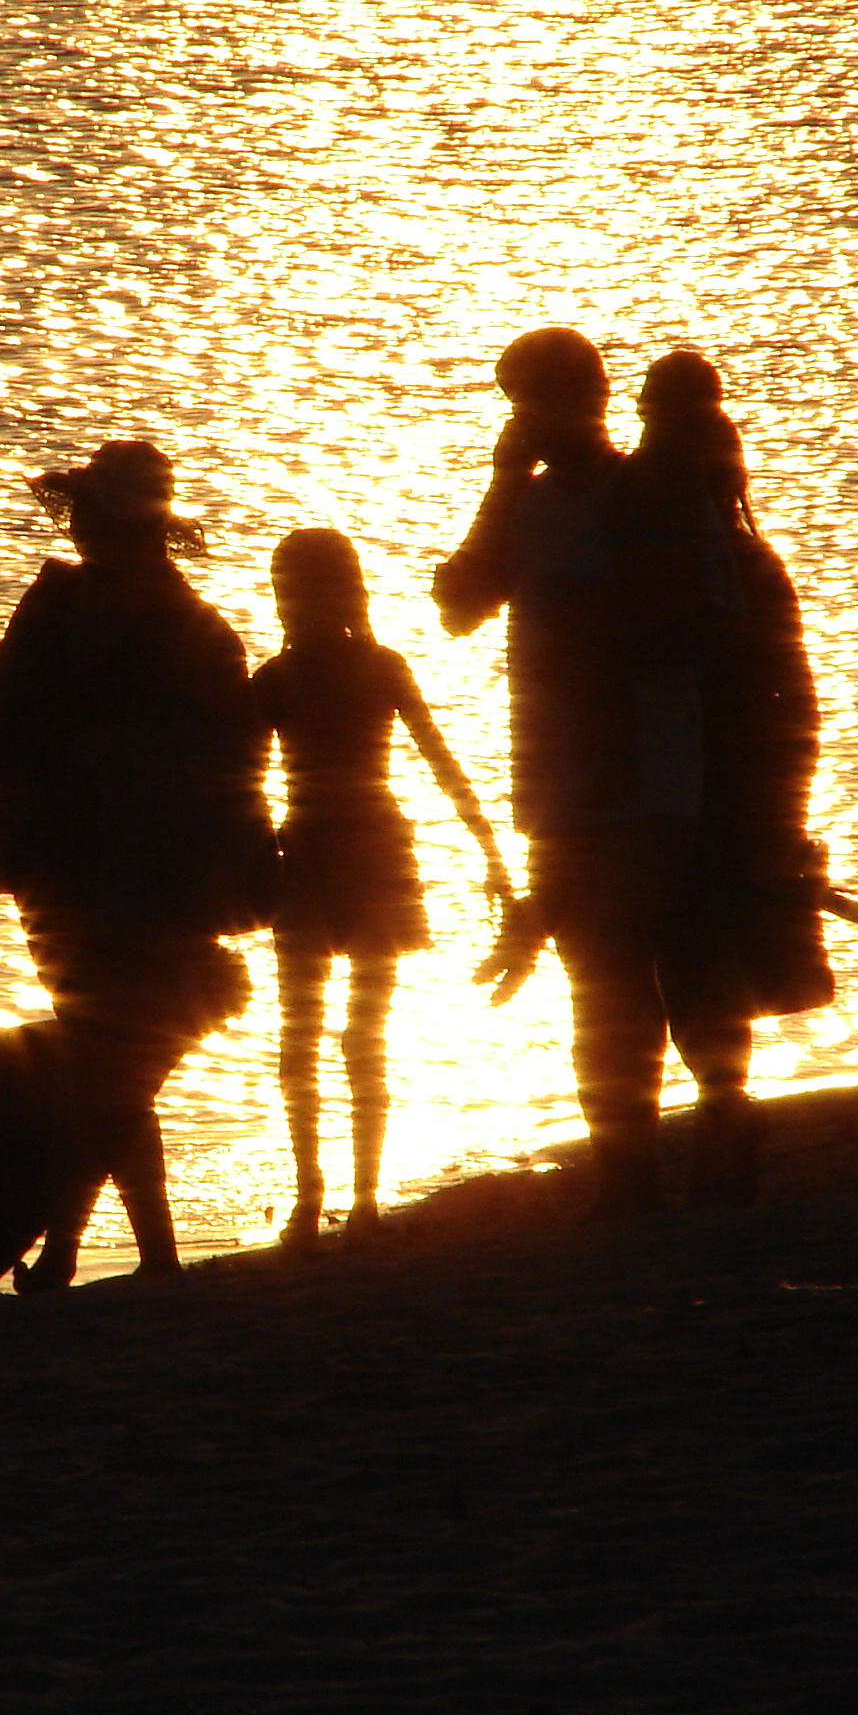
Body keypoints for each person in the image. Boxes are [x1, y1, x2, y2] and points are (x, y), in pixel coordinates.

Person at [433, 334, 826, 1214]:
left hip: (653, 773)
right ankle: (641, 1164)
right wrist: (501, 482)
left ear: (593, 396)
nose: (530, 418)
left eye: (543, 398)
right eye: (517, 402)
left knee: (653, 960)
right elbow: (458, 603)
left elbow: (705, 628)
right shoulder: (527, 505)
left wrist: (594, 635)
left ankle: (699, 1134)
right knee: (598, 977)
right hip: (553, 780)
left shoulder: (649, 491)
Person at [0, 439, 276, 1289]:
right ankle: (140, 1252)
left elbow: (230, 758)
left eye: (98, 517)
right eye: (81, 517)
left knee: (104, 1060)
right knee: (108, 1061)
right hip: (59, 865)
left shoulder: (192, 633)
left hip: (148, 872)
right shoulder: (54, 610)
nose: (83, 531)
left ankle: (80, 1250)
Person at [254, 528, 512, 1247]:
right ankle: (332, 1199)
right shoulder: (317, 675)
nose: (292, 601)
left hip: (343, 863)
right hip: (332, 861)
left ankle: (344, 1200)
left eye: (298, 587)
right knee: (325, 1039)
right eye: (286, 588)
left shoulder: (306, 675)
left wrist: (492, 855)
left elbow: (440, 761)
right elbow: (237, 785)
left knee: (337, 1039)